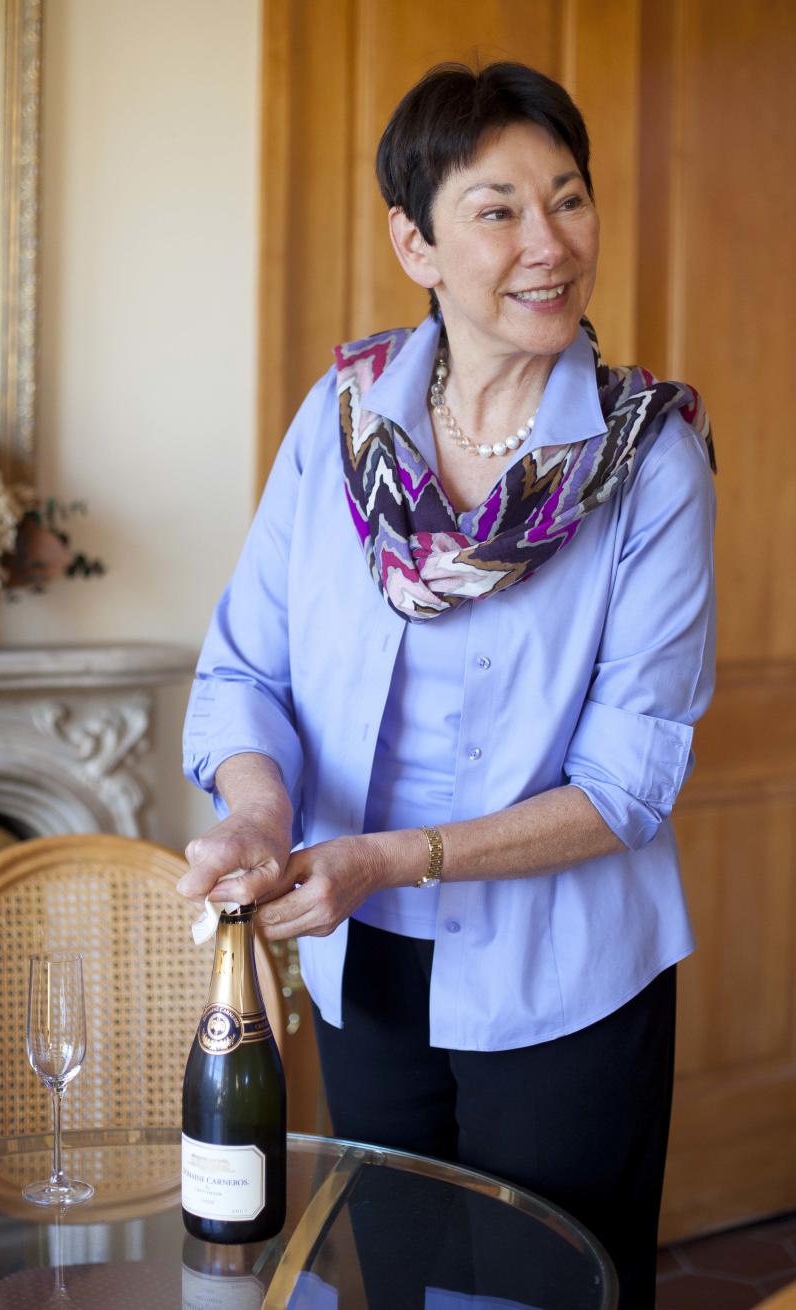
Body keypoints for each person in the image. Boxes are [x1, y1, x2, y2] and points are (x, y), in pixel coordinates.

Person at [179, 61, 716, 1309]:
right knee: (407, 1285)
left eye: (569, 199)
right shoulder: (341, 422)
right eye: (498, 210)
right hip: (366, 971)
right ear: (413, 243)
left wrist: (387, 855)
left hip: (567, 982)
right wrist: (262, 816)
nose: (550, 243)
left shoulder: (649, 458)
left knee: (545, 1293)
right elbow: (248, 665)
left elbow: (628, 782)